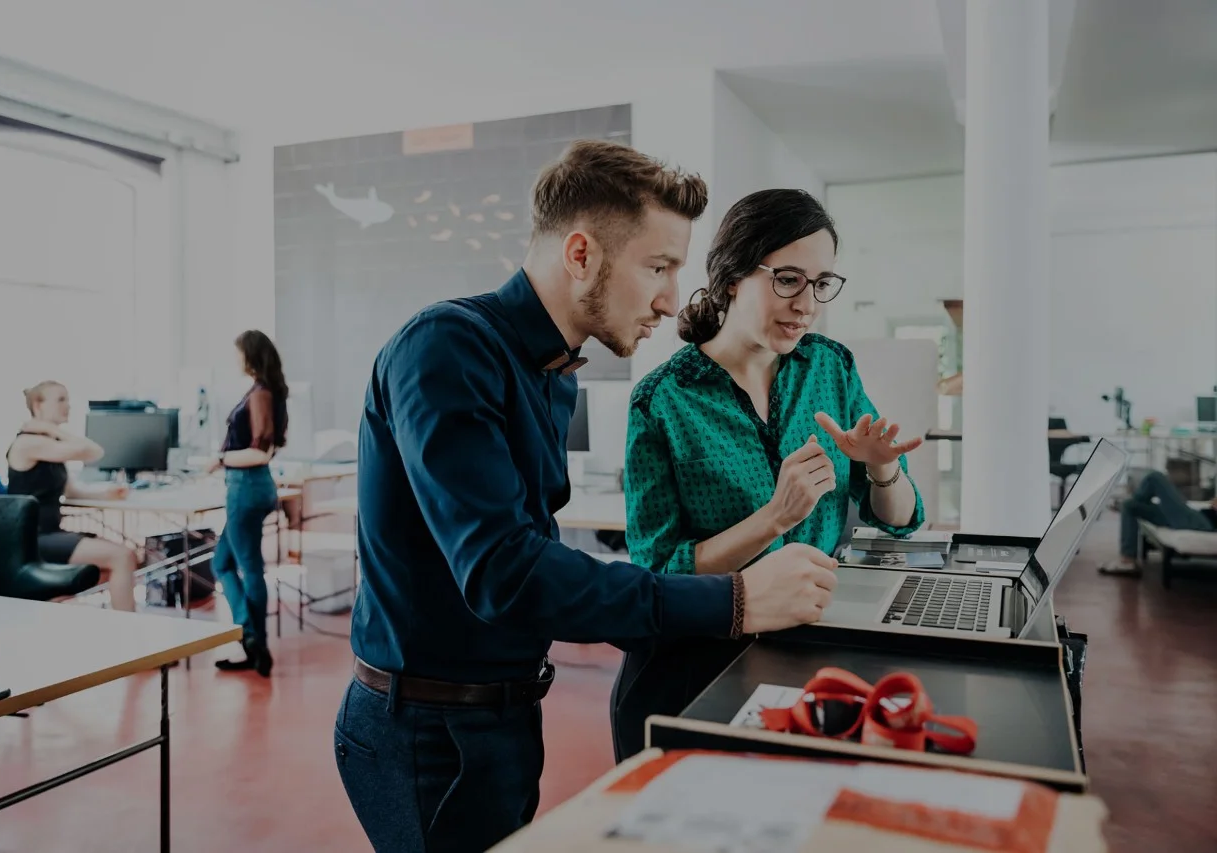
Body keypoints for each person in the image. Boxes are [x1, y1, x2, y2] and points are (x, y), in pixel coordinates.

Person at [334, 141, 842, 853]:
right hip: (426, 733)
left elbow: (540, 563)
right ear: (581, 254)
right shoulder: (445, 349)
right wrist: (735, 600)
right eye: (658, 267)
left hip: (502, 719)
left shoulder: (555, 374)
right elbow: (504, 572)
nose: (671, 299)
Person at [613, 188, 926, 760]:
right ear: (732, 276)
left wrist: (883, 470)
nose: (807, 304)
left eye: (821, 283)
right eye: (787, 279)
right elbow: (659, 570)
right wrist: (774, 517)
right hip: (695, 668)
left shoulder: (829, 366)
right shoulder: (662, 400)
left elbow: (899, 520)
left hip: (809, 651)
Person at [6, 381, 139, 611]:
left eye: (67, 399)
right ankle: (129, 636)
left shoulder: (48, 445)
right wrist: (51, 429)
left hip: (50, 533)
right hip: (32, 538)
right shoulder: (28, 442)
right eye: (60, 400)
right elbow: (94, 451)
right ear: (38, 405)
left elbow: (71, 492)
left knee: (106, 571)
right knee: (123, 557)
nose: (68, 405)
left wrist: (107, 495)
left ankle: (52, 608)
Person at [207, 330, 289, 678]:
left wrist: (220, 458)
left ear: (250, 355)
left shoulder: (260, 394)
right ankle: (254, 643)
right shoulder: (265, 392)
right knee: (223, 562)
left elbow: (259, 451)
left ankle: (252, 638)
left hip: (246, 487)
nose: (235, 359)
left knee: (248, 567)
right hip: (253, 487)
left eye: (239, 353)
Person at [1100, 470, 1216, 575]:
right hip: (1197, 516)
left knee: (1155, 477)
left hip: (1200, 523)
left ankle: (1132, 499)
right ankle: (1128, 560)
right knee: (1129, 506)